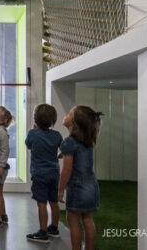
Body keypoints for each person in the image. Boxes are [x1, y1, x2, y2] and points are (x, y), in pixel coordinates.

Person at [58, 106, 103, 250]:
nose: (66, 114)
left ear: (75, 123)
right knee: (87, 220)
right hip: (91, 184)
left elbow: (67, 170)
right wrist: (64, 154)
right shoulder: (88, 141)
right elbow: (80, 156)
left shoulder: (68, 142)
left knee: (72, 220)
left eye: (70, 113)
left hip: (77, 187)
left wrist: (60, 190)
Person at [25, 104, 64, 242]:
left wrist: (35, 130)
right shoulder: (57, 135)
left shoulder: (32, 133)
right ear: (53, 120)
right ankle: (54, 228)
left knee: (41, 203)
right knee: (54, 202)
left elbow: (28, 145)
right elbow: (64, 150)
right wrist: (58, 155)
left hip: (40, 174)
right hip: (54, 173)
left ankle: (42, 232)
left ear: (35, 119)